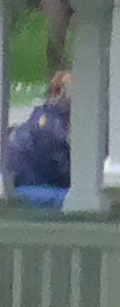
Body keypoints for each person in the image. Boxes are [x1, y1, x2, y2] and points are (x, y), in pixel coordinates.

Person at [4, 72, 66, 208]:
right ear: (58, 93)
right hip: (22, 186)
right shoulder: (51, 124)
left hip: (25, 182)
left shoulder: (47, 118)